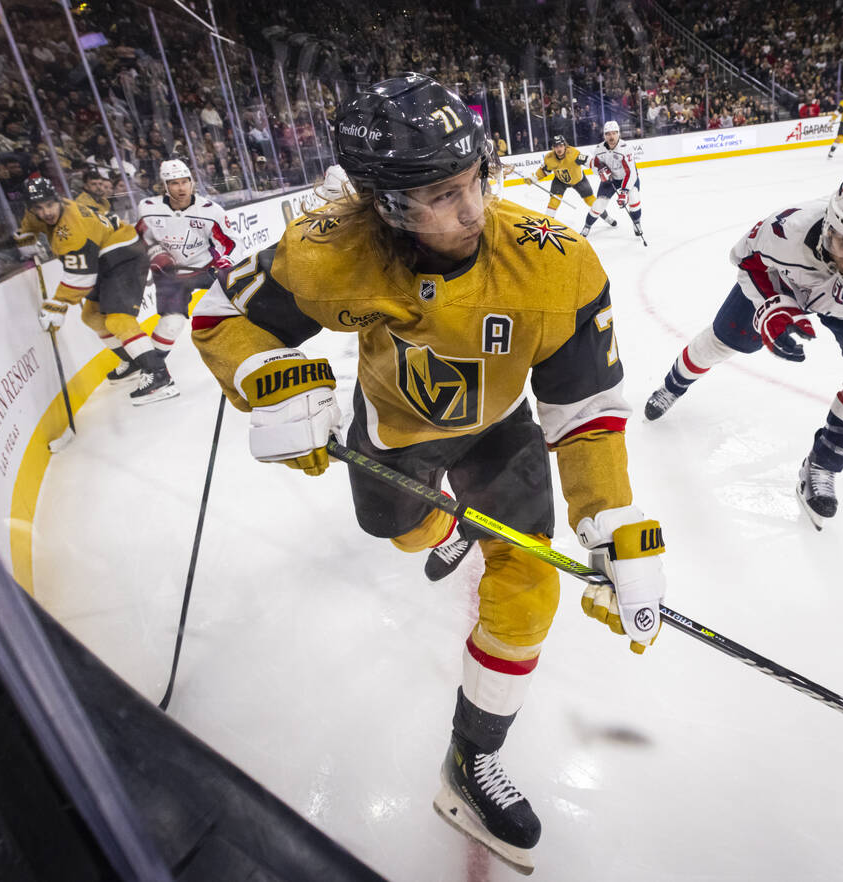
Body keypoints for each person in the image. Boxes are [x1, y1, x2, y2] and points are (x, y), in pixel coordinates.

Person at [190, 73, 666, 874]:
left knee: (529, 585)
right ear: (383, 203)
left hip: (500, 430)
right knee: (407, 532)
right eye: (442, 195)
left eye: (476, 177)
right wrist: (264, 377)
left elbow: (587, 409)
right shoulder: (329, 245)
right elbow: (220, 316)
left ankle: (470, 759)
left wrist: (612, 521)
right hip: (393, 436)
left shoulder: (558, 264)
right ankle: (447, 526)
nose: (473, 208)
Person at [643, 171, 843, 529]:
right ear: (830, 223)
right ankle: (673, 384)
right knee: (723, 340)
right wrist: (771, 305)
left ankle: (821, 465)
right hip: (784, 285)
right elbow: (748, 261)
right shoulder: (786, 229)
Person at [18, 176, 176, 404]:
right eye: (39, 208)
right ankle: (133, 362)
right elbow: (31, 222)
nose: (46, 213)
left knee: (118, 320)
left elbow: (81, 277)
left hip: (124, 254)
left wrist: (59, 304)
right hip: (105, 257)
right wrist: (26, 236)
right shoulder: (41, 211)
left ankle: (159, 375)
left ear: (57, 200)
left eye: (50, 205)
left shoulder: (73, 227)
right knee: (91, 315)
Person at [132, 158, 238, 389]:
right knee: (171, 323)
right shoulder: (148, 209)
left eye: (185, 182)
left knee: (239, 304)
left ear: (192, 182)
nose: (181, 188)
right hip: (172, 275)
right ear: (165, 186)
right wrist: (156, 254)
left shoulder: (210, 211)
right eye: (174, 183)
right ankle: (155, 371)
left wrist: (223, 262)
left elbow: (230, 243)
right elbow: (143, 239)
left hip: (205, 268)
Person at [526, 134, 614, 231]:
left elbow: (588, 161)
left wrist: (600, 168)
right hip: (560, 180)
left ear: (565, 145)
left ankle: (607, 218)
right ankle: (547, 225)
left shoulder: (573, 154)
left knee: (591, 201)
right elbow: (544, 171)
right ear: (553, 148)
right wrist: (534, 178)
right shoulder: (549, 158)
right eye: (556, 146)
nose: (559, 149)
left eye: (561, 146)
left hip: (578, 180)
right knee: (554, 200)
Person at [586, 120, 645, 242]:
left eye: (614, 133)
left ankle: (636, 222)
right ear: (604, 135)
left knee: (634, 199)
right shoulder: (599, 149)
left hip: (627, 178)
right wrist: (600, 172)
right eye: (608, 134)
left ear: (619, 134)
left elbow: (631, 172)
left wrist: (624, 192)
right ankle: (587, 226)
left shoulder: (626, 148)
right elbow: (595, 167)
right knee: (599, 204)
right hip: (611, 179)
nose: (611, 136)